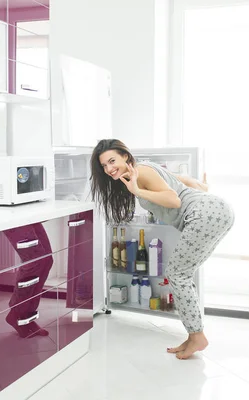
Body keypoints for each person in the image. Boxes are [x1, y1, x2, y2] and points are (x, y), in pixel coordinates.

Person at [90, 139, 234, 359]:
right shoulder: (144, 169)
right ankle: (193, 334)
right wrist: (201, 187)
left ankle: (197, 336)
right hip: (214, 210)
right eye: (104, 166)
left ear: (125, 156)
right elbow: (179, 181)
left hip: (204, 214)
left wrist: (137, 190)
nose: (109, 169)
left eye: (112, 161)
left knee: (177, 274)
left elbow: (173, 200)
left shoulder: (141, 172)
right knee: (181, 274)